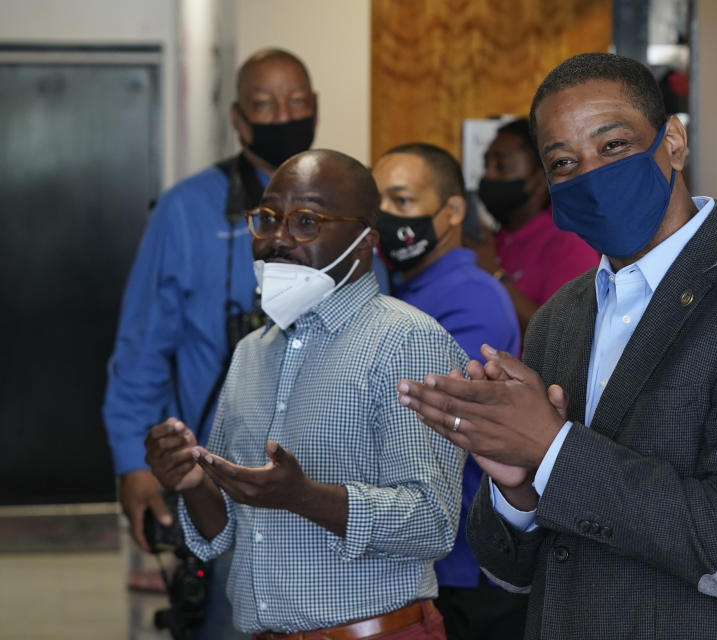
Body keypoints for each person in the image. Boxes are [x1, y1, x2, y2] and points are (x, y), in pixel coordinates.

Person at [396, 53, 717, 639]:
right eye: (564, 161)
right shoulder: (560, 318)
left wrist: (553, 448)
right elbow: (511, 573)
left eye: (613, 146)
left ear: (674, 142)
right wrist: (517, 483)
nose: (592, 174)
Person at [145, 149, 466, 638]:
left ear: (363, 242)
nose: (276, 239)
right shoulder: (253, 351)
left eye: (307, 222)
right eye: (267, 219)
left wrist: (306, 497)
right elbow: (226, 530)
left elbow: (433, 521)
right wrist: (192, 481)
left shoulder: (407, 341)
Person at [102, 47, 320, 638]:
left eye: (298, 102)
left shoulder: (341, 204)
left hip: (328, 487)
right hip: (219, 486)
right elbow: (142, 348)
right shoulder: (186, 209)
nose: (284, 114)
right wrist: (134, 463)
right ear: (237, 118)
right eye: (265, 104)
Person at [372, 143, 526, 640]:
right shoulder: (403, 292)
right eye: (379, 205)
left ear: (453, 210)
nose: (387, 218)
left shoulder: (470, 296)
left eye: (402, 201)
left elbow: (413, 414)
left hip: (463, 564)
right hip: (426, 562)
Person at [475, 118, 598, 333]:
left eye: (500, 167)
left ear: (539, 180)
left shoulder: (569, 245)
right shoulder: (496, 238)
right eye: (486, 166)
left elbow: (557, 334)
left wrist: (493, 273)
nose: (488, 176)